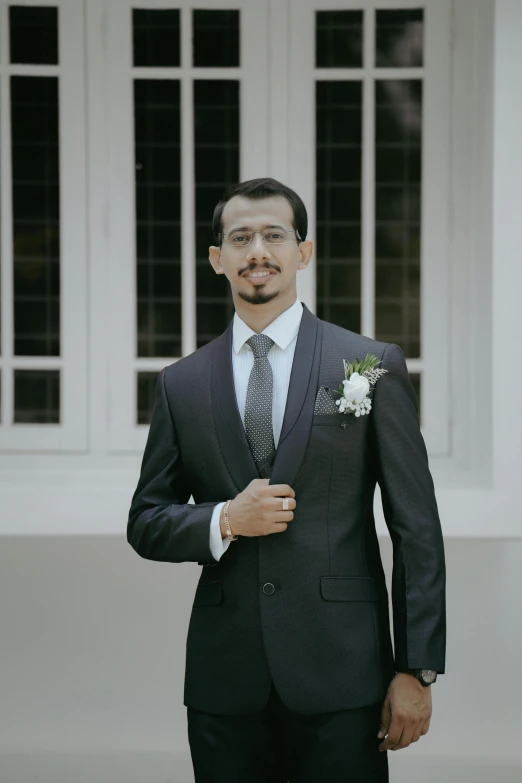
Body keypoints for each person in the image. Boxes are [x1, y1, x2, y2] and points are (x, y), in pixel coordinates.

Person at [127, 177, 446, 782]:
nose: (258, 251)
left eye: (274, 235)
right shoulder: (181, 384)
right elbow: (145, 522)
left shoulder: (369, 365)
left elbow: (417, 528)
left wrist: (417, 669)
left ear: (304, 251)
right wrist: (224, 519)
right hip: (226, 682)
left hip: (344, 674)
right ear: (217, 259)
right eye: (240, 238)